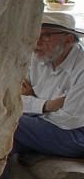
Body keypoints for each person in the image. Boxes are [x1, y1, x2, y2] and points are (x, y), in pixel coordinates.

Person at [13, 12, 84, 158]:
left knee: (9, 122)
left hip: (75, 134)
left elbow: (68, 120)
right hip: (43, 123)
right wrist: (46, 105)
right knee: (7, 143)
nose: (36, 42)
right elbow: (12, 97)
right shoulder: (36, 57)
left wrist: (32, 103)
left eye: (46, 36)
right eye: (34, 34)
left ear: (68, 39)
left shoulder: (81, 68)